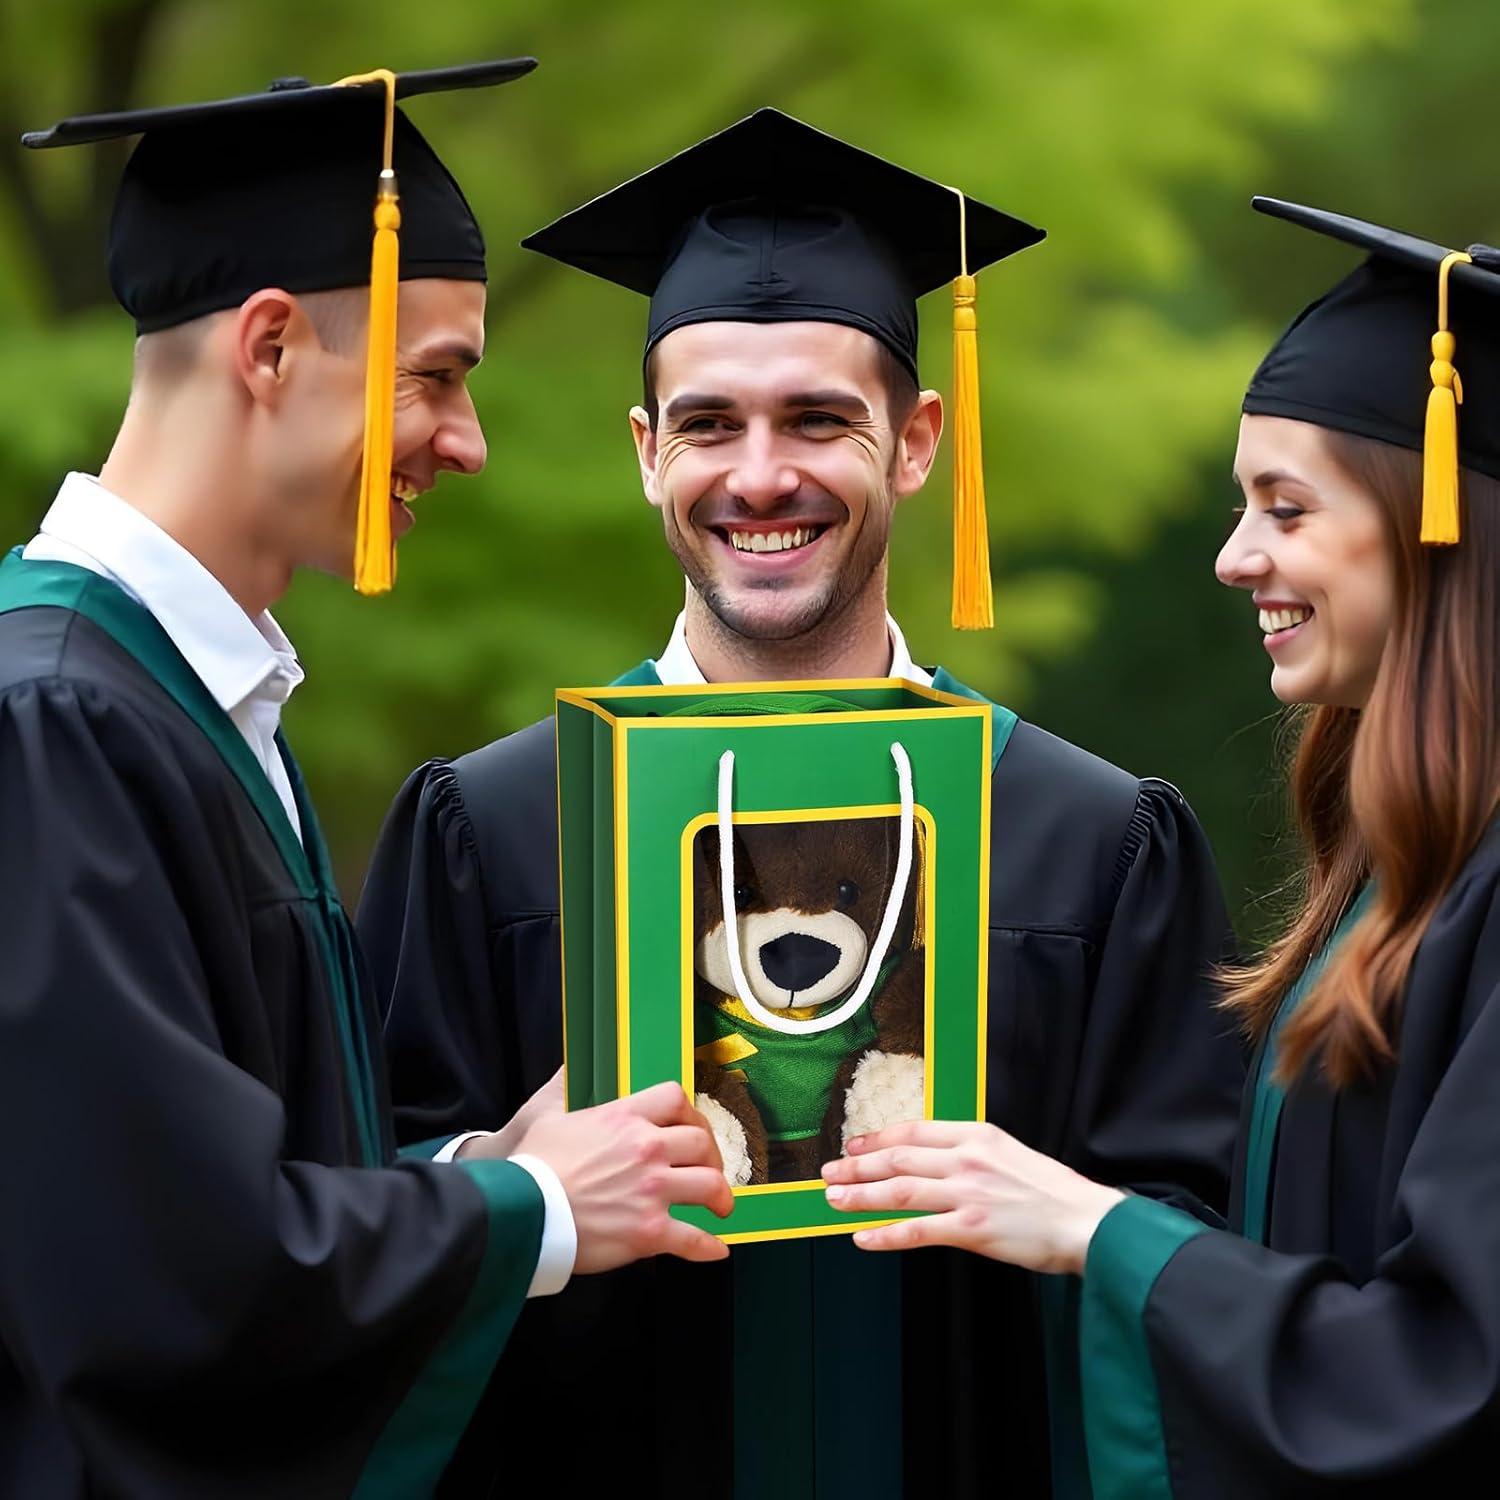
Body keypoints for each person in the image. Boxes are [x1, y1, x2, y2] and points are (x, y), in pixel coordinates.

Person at [360, 109, 1244, 1498]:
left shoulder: (1085, 839)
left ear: (915, 443)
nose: (759, 475)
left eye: (819, 420)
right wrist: (494, 1171)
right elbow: (358, 1224)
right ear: (647, 450)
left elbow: (1197, 1269)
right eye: (710, 424)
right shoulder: (494, 832)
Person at [0, 64, 731, 1499]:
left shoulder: (185, 698)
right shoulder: (58, 721)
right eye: (436, 376)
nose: (464, 442)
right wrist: (530, 1208)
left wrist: (484, 1153)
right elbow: (162, 1280)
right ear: (270, 347)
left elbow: (231, 1172)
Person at [824, 197, 1500, 1496]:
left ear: (1440, 531)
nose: (1235, 556)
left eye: (1286, 510)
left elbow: (1448, 1371)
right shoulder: (1403, 875)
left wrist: (1100, 1229)